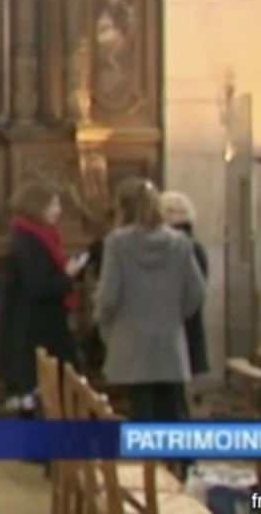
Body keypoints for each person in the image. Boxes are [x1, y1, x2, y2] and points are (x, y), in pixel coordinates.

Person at [95, 178, 205, 426]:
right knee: (173, 413)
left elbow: (108, 297)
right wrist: (173, 315)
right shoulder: (180, 243)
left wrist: (104, 324)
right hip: (169, 341)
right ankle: (176, 452)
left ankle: (145, 453)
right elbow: (196, 293)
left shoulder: (117, 244)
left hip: (130, 341)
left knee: (140, 414)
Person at [0, 180, 86, 419]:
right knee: (38, 399)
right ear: (37, 206)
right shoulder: (29, 241)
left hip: (42, 328)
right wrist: (68, 276)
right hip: (33, 332)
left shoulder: (40, 237)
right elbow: (38, 285)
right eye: (53, 205)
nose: (58, 211)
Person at [160, 190, 210, 382]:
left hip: (179, 323)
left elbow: (193, 290)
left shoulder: (181, 246)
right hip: (185, 320)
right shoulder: (193, 245)